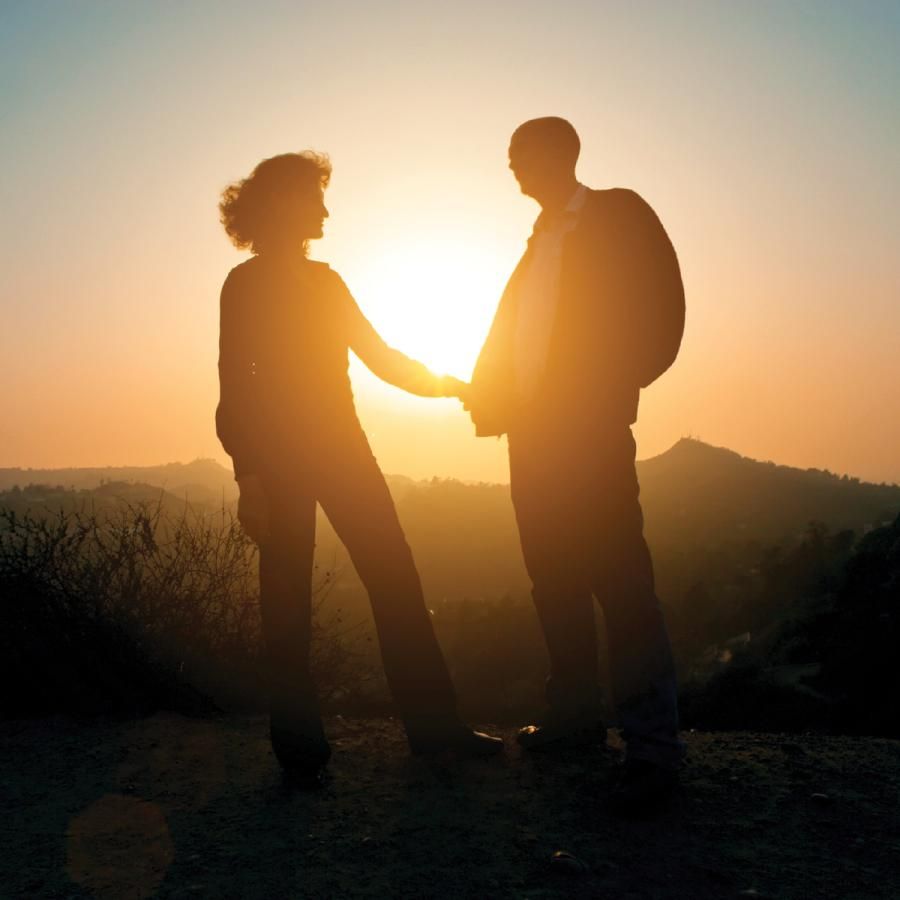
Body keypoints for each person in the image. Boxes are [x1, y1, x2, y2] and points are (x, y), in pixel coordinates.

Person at [216, 151, 502, 778]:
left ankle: (436, 731)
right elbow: (234, 388)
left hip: (345, 451)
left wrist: (455, 385)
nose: (324, 209)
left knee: (397, 581)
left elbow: (382, 358)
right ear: (284, 204)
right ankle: (299, 751)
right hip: (279, 462)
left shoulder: (327, 283)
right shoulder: (245, 285)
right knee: (286, 604)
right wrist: (249, 477)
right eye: (314, 196)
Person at [467, 118, 685, 810]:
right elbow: (515, 332)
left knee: (622, 583)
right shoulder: (536, 246)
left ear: (558, 154)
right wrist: (490, 397)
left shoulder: (618, 212)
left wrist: (612, 386)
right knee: (552, 578)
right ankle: (575, 720)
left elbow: (664, 309)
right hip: (530, 438)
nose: (509, 167)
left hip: (589, 432)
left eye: (517, 154)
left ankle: (653, 747)